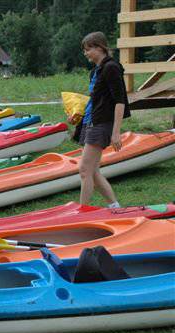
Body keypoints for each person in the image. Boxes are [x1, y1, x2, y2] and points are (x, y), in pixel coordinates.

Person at [70, 31, 130, 208]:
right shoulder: (95, 71)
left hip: (102, 124)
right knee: (93, 171)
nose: (85, 53)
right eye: (84, 50)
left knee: (84, 170)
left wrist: (116, 132)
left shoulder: (111, 68)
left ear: (99, 47)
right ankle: (114, 206)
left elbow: (120, 101)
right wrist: (78, 115)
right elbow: (95, 100)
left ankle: (83, 212)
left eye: (88, 49)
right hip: (91, 122)